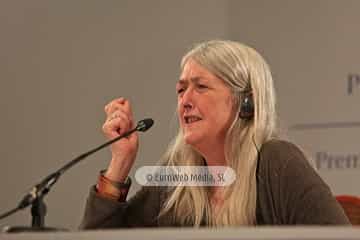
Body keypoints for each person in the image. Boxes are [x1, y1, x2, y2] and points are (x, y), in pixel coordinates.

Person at [80, 40, 350, 228]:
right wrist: (121, 161)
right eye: (181, 89)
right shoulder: (177, 177)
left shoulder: (277, 163)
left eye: (201, 87)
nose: (185, 100)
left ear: (246, 101)